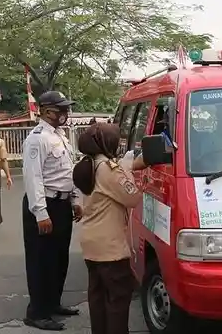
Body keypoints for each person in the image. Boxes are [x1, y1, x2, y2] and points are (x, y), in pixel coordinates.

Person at [73, 123, 145, 334]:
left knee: (98, 299)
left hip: (92, 244)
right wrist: (126, 169)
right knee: (117, 301)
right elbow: (132, 197)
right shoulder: (109, 169)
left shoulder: (89, 164)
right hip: (110, 248)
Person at [21, 90, 83, 331]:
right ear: (47, 111)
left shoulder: (60, 136)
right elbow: (33, 177)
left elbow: (67, 172)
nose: (65, 113)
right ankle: (37, 312)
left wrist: (74, 199)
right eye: (61, 109)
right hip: (45, 204)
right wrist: (41, 213)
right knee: (41, 260)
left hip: (61, 203)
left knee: (59, 258)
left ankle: (53, 303)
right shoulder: (37, 139)